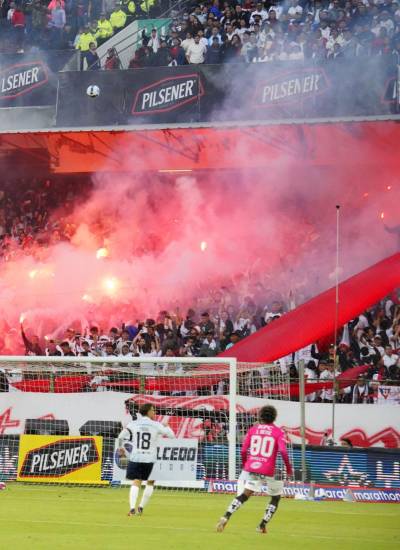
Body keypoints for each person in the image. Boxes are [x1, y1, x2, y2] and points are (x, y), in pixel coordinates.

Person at [216, 405, 293, 534]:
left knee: (244, 495)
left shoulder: (253, 429)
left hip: (253, 468)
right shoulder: (278, 432)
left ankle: (226, 516)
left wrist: (246, 465)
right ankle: (262, 525)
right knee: (275, 498)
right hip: (270, 470)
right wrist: (289, 469)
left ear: (260, 416)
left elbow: (243, 450)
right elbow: (284, 452)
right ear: (274, 417)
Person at [118, 403, 175, 516]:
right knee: (150, 481)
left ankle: (132, 508)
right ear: (148, 412)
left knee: (136, 481)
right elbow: (172, 436)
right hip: (150, 459)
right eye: (153, 410)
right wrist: (167, 426)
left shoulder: (133, 424)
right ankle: (141, 507)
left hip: (136, 457)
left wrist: (121, 448)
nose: (154, 412)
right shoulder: (156, 425)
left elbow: (120, 437)